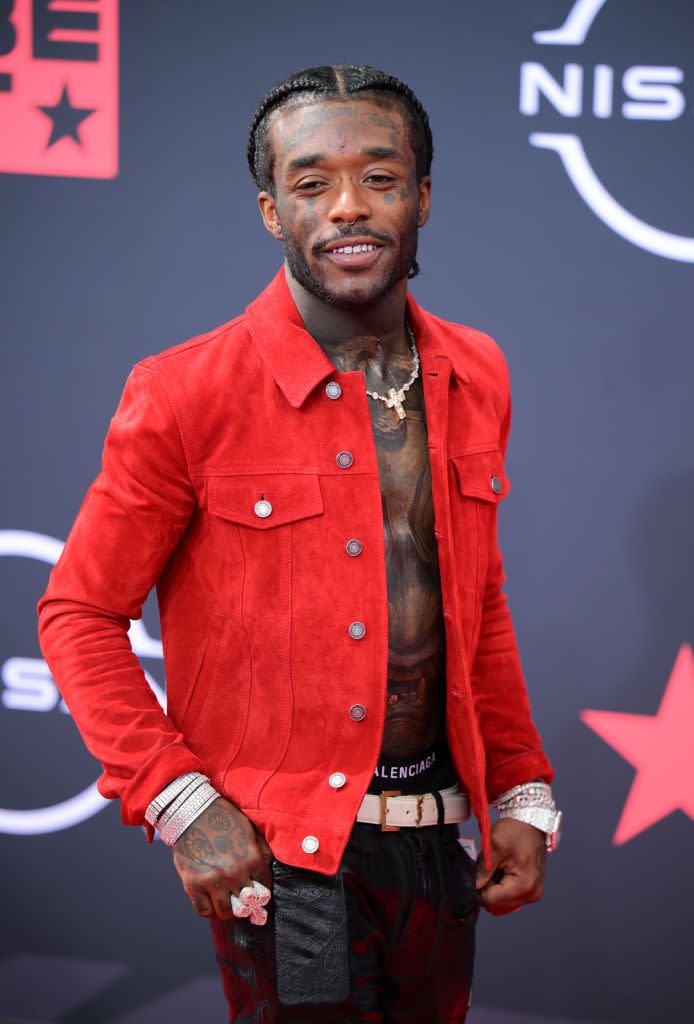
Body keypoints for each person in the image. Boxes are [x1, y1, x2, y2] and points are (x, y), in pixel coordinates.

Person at [37, 63, 562, 1023]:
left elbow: (473, 600)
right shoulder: (185, 391)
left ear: (424, 197)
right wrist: (181, 801)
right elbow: (79, 613)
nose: (349, 207)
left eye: (381, 177)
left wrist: (522, 787)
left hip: (439, 835)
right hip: (287, 859)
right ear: (273, 212)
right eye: (312, 183)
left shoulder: (475, 371)